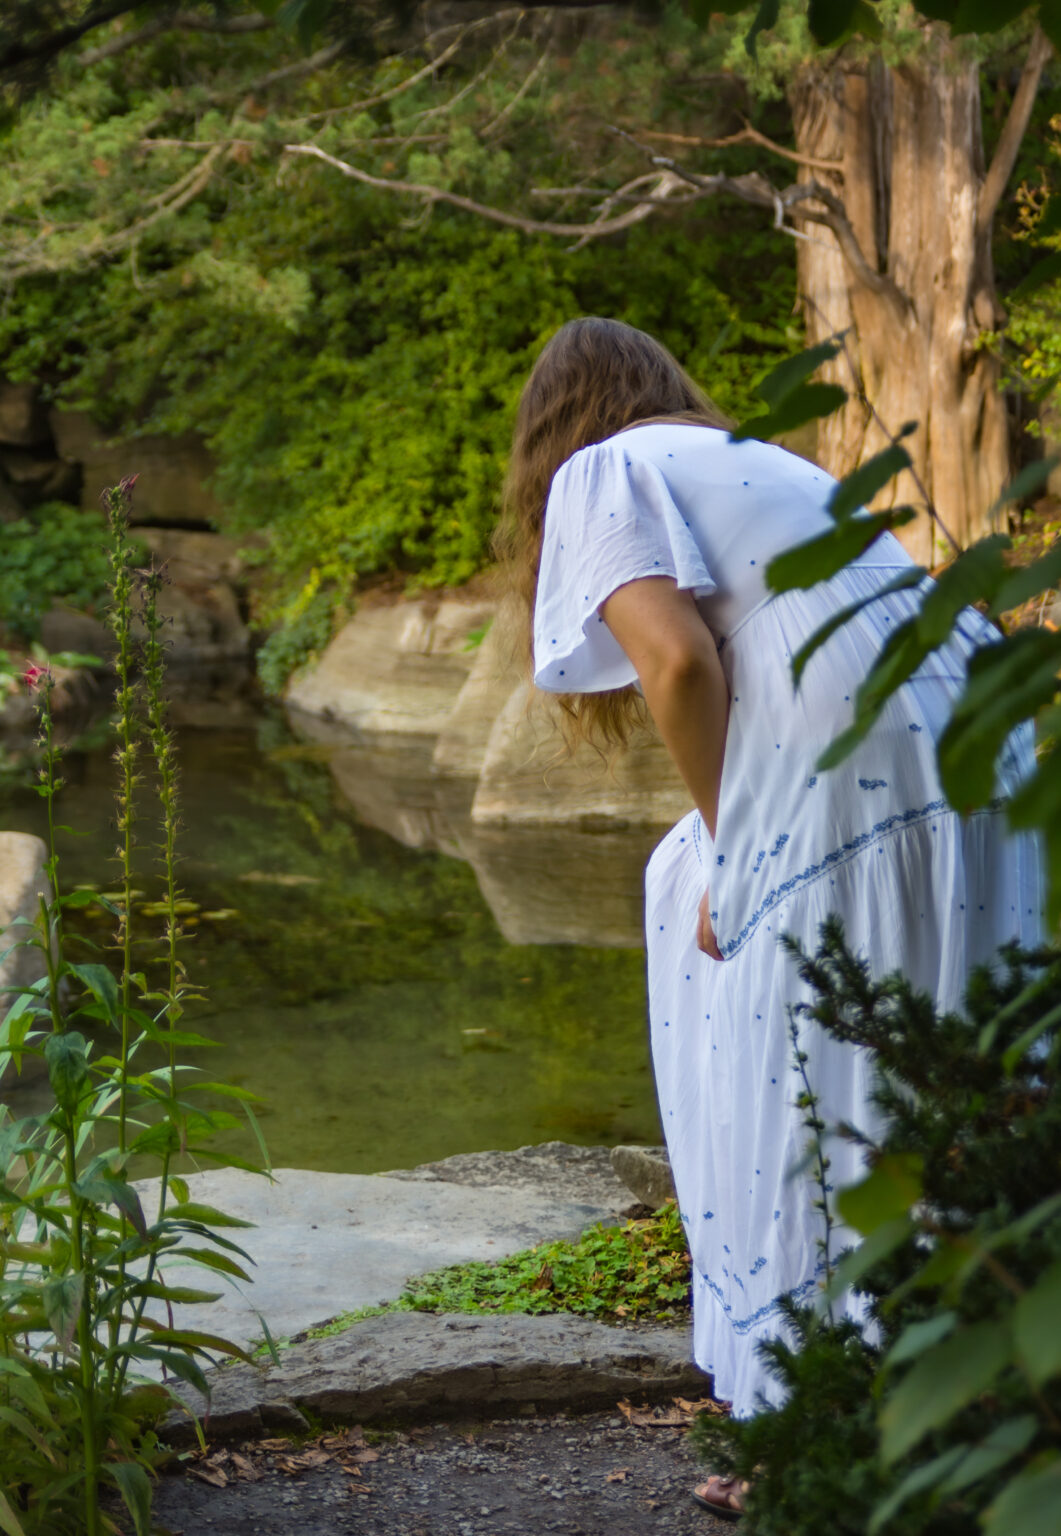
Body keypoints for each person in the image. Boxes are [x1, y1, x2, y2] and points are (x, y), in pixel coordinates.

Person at [498, 317, 1042, 1519]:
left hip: (859, 782)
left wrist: (737, 850)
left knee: (785, 1070)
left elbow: (678, 666)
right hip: (979, 753)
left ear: (551, 434)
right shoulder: (761, 458)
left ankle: (813, 1423)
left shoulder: (603, 468)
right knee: (938, 1074)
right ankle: (969, 1409)